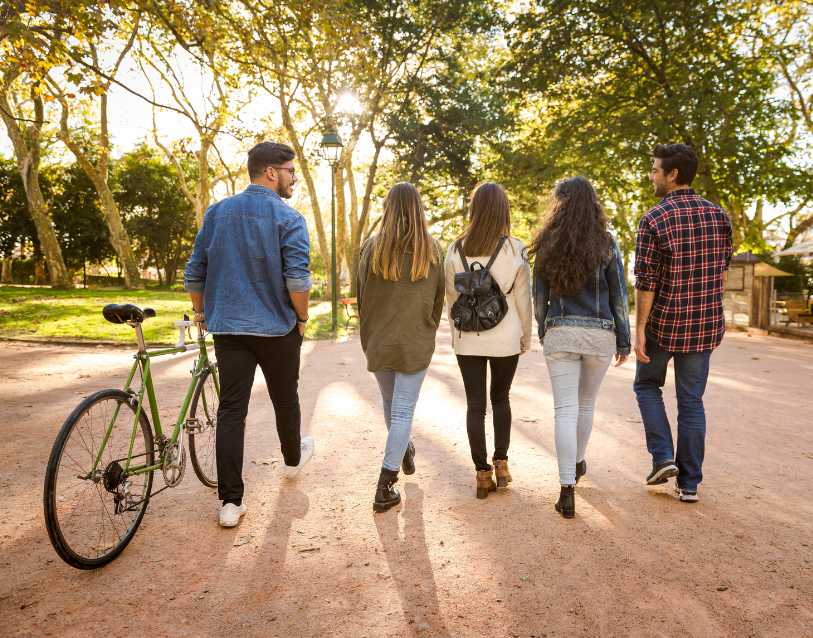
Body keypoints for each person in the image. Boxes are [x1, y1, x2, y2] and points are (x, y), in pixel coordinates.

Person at [184, 141, 315, 528]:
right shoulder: (288, 218)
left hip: (228, 329)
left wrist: (200, 311)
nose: (295, 177)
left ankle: (230, 503)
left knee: (231, 410)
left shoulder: (217, 212)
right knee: (284, 398)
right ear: (271, 172)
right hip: (277, 328)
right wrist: (302, 318)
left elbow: (196, 272)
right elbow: (297, 279)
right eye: (291, 170)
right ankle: (293, 460)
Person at [634, 143, 732, 503]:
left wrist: (640, 329)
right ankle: (689, 484)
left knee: (647, 386)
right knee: (692, 402)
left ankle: (662, 457)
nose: (652, 175)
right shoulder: (719, 216)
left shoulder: (654, 218)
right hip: (705, 324)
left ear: (672, 174)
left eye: (656, 169)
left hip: (664, 323)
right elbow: (720, 270)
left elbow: (646, 281)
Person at [530, 176, 630, 518]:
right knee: (585, 405)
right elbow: (619, 295)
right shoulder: (606, 243)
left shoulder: (547, 243)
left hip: (561, 332)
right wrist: (624, 340)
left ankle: (566, 488)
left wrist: (545, 331)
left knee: (564, 410)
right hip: (600, 334)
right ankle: (577, 463)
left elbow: (539, 297)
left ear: (559, 204)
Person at [356, 182, 445, 513]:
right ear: (418, 209)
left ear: (387, 207)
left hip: (378, 339)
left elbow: (362, 293)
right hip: (415, 339)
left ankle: (403, 450)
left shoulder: (371, 247)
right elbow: (438, 302)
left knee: (391, 402)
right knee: (403, 409)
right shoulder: (433, 250)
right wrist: (427, 328)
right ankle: (385, 485)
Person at [444, 182, 533, 499]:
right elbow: (524, 298)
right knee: (501, 400)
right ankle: (502, 464)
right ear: (503, 211)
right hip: (505, 337)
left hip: (468, 339)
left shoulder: (456, 249)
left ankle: (482, 474)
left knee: (475, 406)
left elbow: (452, 298)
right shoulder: (516, 249)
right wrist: (526, 334)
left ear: (474, 210)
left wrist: (457, 335)